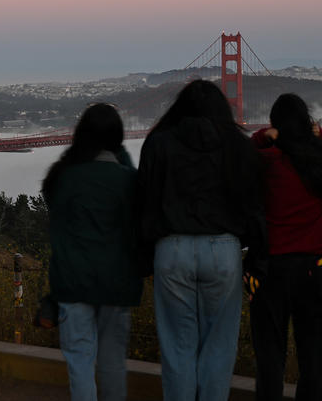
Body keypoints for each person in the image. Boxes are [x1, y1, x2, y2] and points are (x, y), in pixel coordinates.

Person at [138, 79, 266, 401]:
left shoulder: (158, 143)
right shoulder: (239, 145)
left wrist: (143, 258)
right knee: (220, 347)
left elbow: (144, 204)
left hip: (171, 249)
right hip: (224, 250)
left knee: (178, 347)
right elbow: (255, 205)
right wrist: (254, 256)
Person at [41, 103, 142, 401]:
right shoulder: (129, 181)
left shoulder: (64, 178)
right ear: (117, 138)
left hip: (73, 283)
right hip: (117, 283)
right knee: (112, 363)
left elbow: (57, 233)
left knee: (80, 362)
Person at [250, 93, 322, 400]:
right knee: (315, 357)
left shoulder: (266, 162)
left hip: (271, 272)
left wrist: (265, 136)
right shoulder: (319, 160)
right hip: (315, 270)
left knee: (270, 357)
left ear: (275, 125)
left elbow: (247, 148)